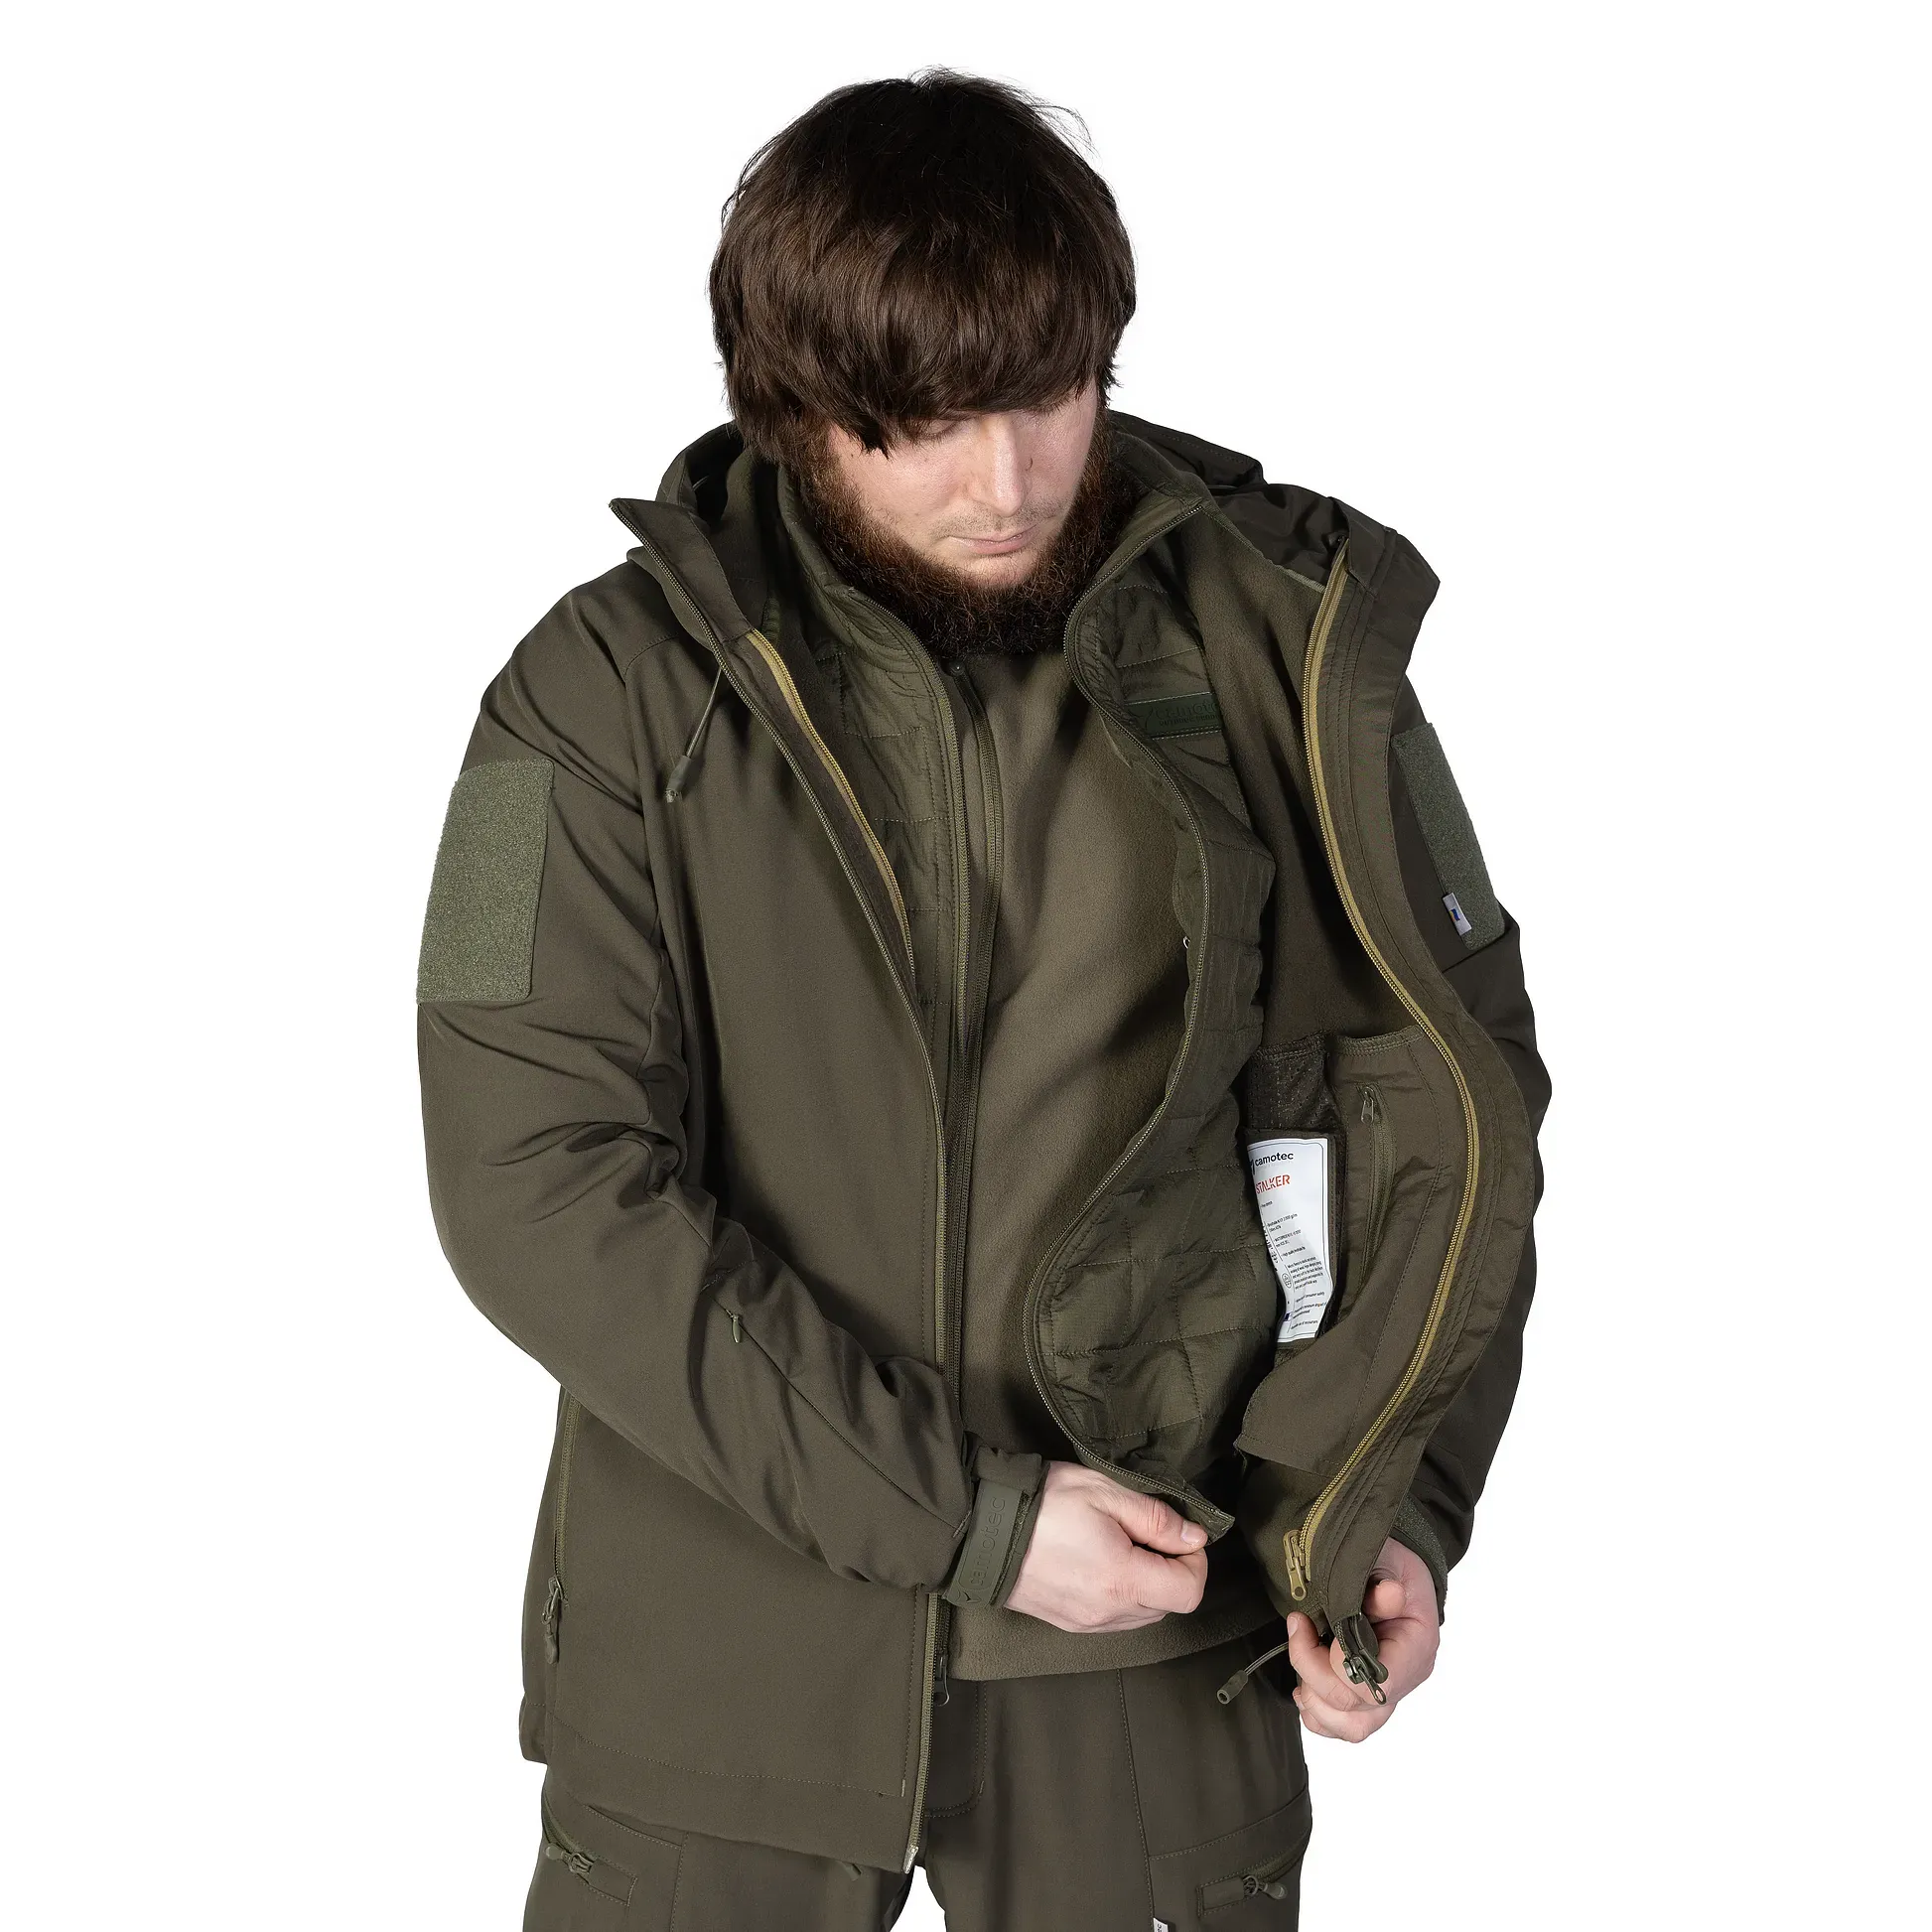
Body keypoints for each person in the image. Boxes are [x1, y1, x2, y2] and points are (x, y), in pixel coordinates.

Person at [416, 69, 1550, 1932]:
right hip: (723, 1672)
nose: (1006, 481)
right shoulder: (578, 700)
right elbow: (528, 1181)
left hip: (1161, 1649)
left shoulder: (1294, 651)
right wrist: (973, 1521)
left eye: (1046, 394)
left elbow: (1444, 1098)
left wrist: (1395, 1500)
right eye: (923, 424)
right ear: (792, 410)